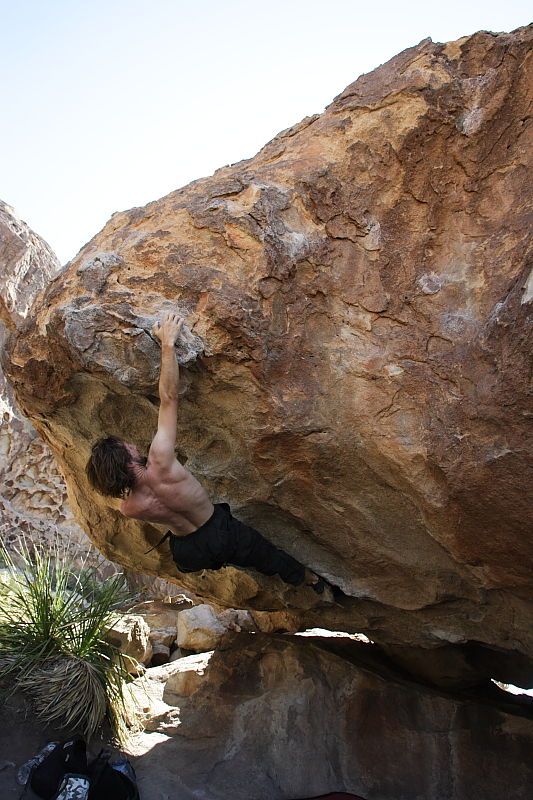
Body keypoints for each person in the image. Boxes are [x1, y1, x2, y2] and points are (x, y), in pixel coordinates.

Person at [86, 311, 328, 595]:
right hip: (220, 532)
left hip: (190, 554)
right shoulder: (160, 459)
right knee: (268, 557)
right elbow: (168, 399)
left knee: (217, 553)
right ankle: (312, 582)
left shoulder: (129, 508)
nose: (131, 444)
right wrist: (167, 344)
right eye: (126, 445)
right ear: (125, 457)